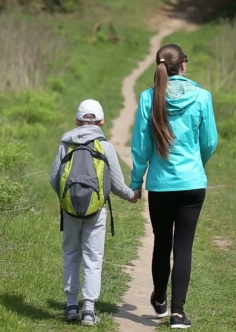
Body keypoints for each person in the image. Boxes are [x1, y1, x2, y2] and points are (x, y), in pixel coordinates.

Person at [130, 44, 218, 329]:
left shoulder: (148, 98)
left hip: (160, 185)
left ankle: (159, 297)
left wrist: (135, 182)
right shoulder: (202, 97)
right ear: (184, 65)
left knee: (161, 243)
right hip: (192, 184)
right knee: (184, 247)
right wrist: (196, 163)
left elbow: (141, 147)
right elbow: (210, 142)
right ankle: (178, 313)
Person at [50, 99, 139, 326]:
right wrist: (131, 195)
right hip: (96, 211)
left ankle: (71, 305)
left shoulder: (65, 144)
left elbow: (54, 179)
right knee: (93, 257)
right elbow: (117, 184)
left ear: (76, 121)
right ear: (102, 122)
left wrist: (67, 199)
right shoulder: (105, 146)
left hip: (69, 211)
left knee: (71, 253)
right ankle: (88, 310)